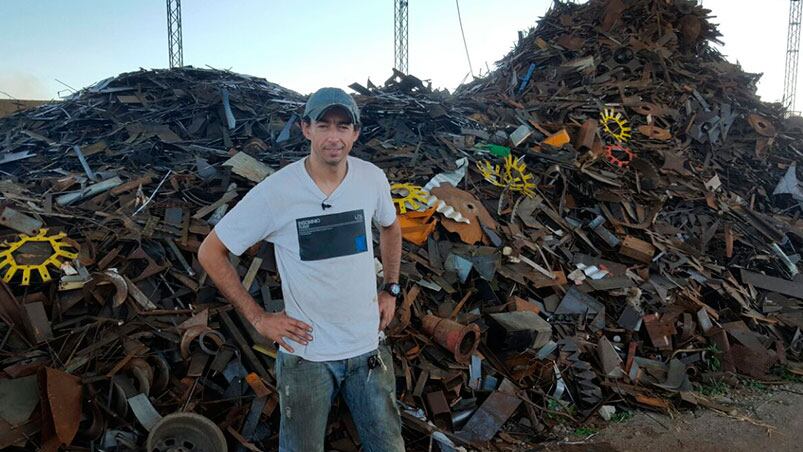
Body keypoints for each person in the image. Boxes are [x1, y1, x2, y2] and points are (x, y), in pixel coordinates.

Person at [197, 87, 405, 452]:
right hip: (306, 358)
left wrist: (390, 289)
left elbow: (390, 226)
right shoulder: (276, 192)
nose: (333, 137)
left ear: (355, 133)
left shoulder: (371, 179)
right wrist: (258, 318)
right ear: (305, 129)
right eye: (323, 125)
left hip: (367, 349)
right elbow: (211, 251)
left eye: (343, 127)